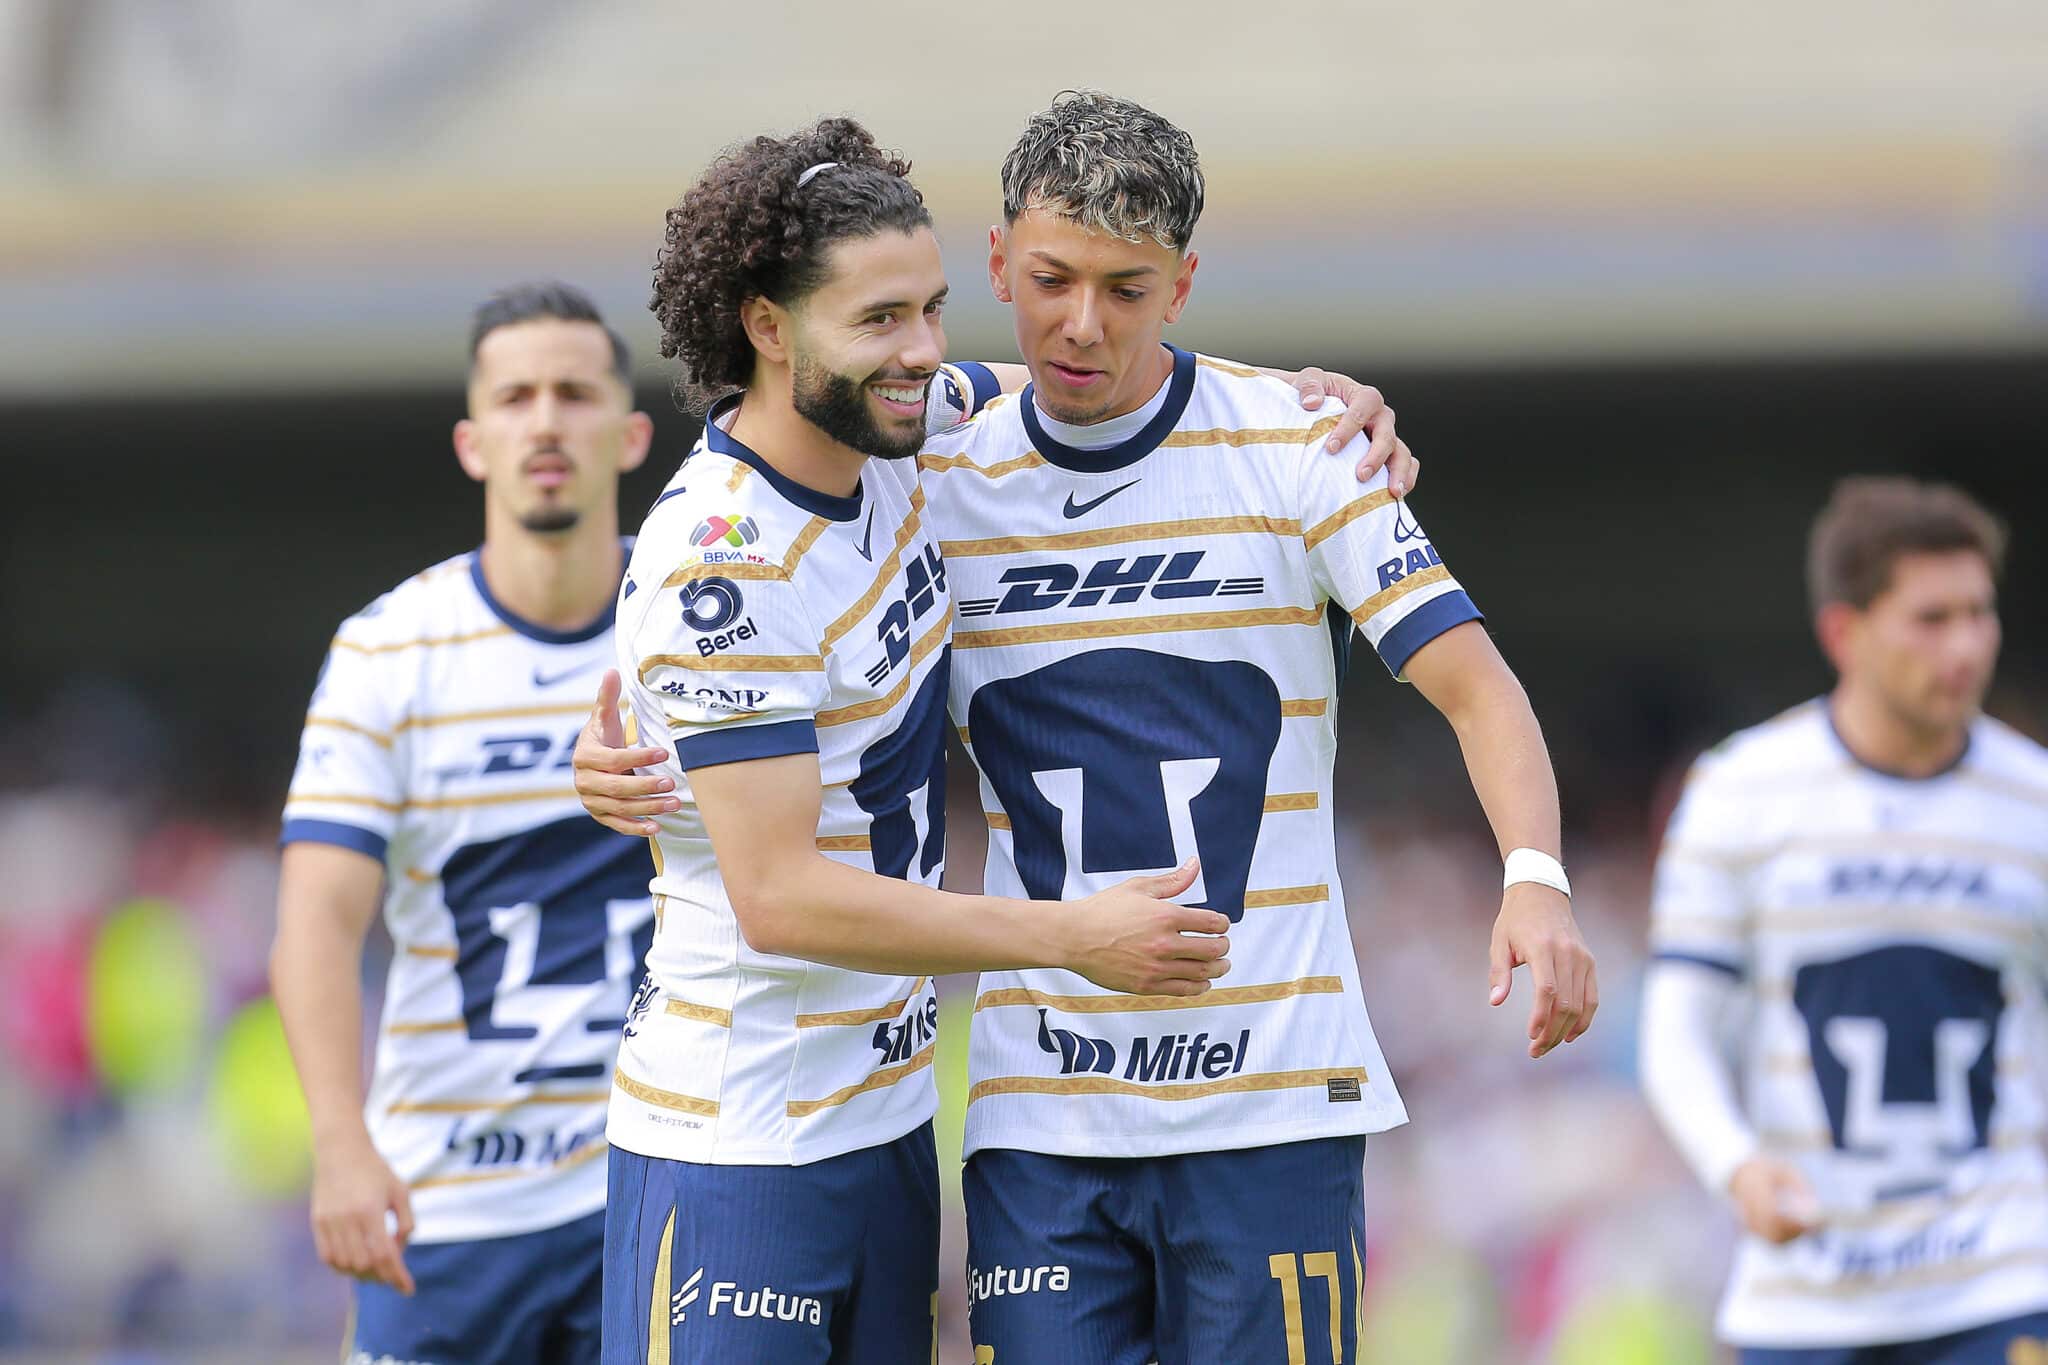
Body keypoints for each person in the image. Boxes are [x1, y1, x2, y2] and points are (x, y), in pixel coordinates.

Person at [581, 93, 1594, 1365]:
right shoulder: (919, 466)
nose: (1079, 323)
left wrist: (1537, 881)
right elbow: (714, 640)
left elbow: (1475, 681)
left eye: (1128, 288)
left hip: (1236, 1100)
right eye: (1050, 280)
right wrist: (630, 736)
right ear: (1005, 258)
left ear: (1181, 286)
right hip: (982, 1114)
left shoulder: (1273, 446)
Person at [272, 283, 658, 1364]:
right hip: (444, 1203)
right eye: (517, 396)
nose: (546, 421)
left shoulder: (694, 627)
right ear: (472, 440)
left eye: (575, 394)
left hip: (655, 1174)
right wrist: (340, 1145)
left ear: (630, 434)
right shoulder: (389, 651)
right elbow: (315, 923)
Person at [1641, 477, 2048, 1364]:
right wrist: (1736, 1166)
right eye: (1932, 618)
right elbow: (1675, 1027)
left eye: (1980, 613)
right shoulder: (1741, 790)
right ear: (1844, 632)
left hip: (2002, 1276)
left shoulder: (2035, 801)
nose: (1968, 645)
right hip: (1804, 1297)